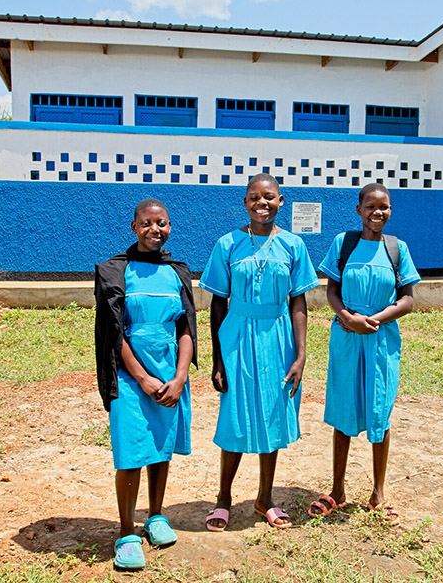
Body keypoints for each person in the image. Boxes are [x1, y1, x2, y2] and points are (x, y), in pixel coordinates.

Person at [199, 173, 319, 531]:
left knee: (272, 416)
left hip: (278, 337)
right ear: (245, 202)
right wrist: (218, 358)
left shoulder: (294, 246)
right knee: (235, 416)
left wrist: (300, 355)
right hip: (237, 337)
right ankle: (223, 498)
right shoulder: (228, 244)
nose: (262, 203)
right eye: (254, 197)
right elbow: (218, 304)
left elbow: (298, 302)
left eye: (269, 197)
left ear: (281, 201)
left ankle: (264, 497)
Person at [94, 198, 198, 570]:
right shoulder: (114, 272)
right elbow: (112, 333)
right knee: (130, 452)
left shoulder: (178, 272)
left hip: (170, 374)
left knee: (160, 448)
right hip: (131, 375)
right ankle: (126, 532)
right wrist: (141, 377)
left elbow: (185, 328)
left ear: (170, 226)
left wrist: (180, 376)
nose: (156, 229)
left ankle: (155, 516)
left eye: (163, 223)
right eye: (148, 223)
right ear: (134, 227)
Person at [309, 183, 420, 522]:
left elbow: (408, 300)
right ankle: (338, 490)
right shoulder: (344, 244)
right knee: (344, 410)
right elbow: (332, 290)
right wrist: (347, 317)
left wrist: (373, 319)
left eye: (383, 206)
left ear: (390, 210)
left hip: (381, 338)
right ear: (359, 210)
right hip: (346, 336)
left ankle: (378, 493)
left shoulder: (397, 248)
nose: (377, 212)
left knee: (380, 410)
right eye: (370, 206)